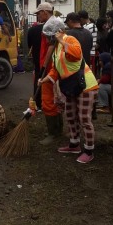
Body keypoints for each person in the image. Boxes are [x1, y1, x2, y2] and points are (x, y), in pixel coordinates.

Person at [38, 17, 98, 164]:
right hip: (71, 87)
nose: (47, 39)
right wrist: (45, 79)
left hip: (85, 85)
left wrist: (62, 41)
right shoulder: (57, 48)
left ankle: (89, 150)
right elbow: (55, 69)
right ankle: (74, 144)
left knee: (84, 119)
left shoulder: (70, 40)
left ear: (57, 33)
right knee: (70, 116)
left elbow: (76, 54)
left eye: (49, 36)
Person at [32, 2, 63, 144]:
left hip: (50, 68)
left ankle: (53, 133)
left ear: (45, 12)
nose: (37, 16)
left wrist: (43, 69)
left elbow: (50, 47)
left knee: (48, 100)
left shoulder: (49, 25)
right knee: (56, 98)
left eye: (38, 13)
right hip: (56, 67)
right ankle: (58, 129)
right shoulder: (58, 22)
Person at [27, 20, 44, 110]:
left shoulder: (32, 30)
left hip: (37, 57)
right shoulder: (50, 28)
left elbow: (29, 44)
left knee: (38, 77)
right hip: (49, 57)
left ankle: (38, 103)